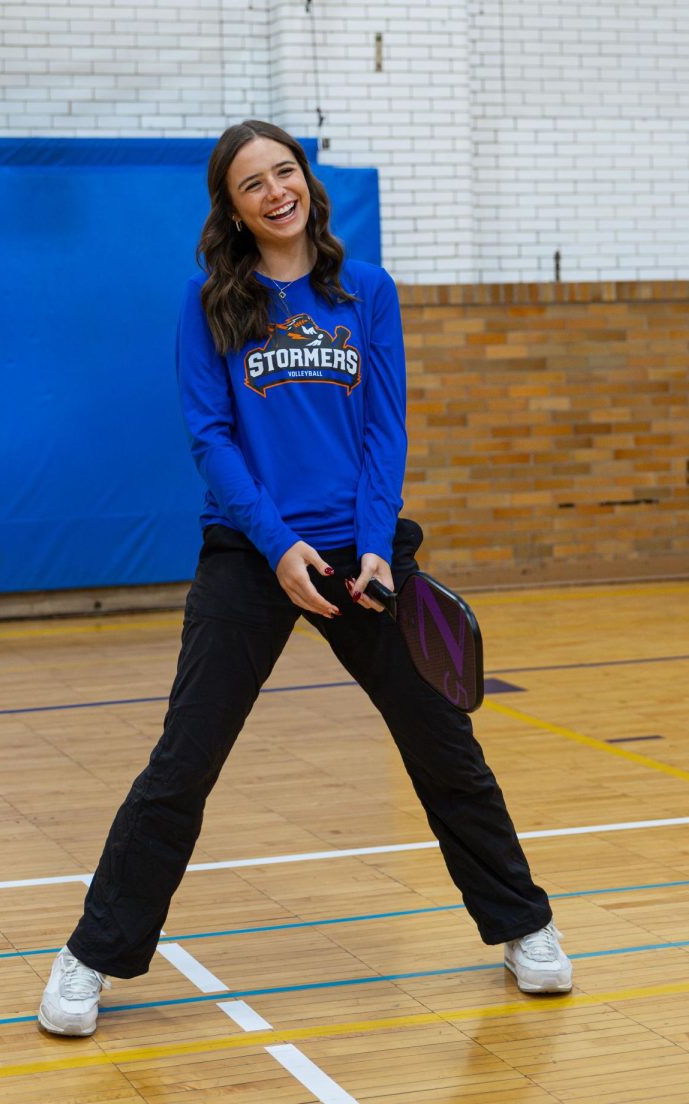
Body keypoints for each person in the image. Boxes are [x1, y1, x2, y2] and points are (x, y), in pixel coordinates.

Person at [38, 119, 572, 1037]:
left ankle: (525, 926)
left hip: (363, 555)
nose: (275, 190)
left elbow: (384, 428)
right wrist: (280, 545)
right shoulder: (209, 301)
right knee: (183, 764)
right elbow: (211, 436)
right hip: (252, 556)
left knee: (445, 749)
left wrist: (372, 544)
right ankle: (90, 957)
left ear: (306, 185)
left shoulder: (365, 291)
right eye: (253, 183)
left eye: (285, 172)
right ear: (233, 209)